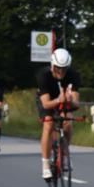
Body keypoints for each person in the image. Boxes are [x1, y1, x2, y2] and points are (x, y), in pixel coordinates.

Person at [36, 48, 80, 179]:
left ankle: (65, 154)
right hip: (48, 100)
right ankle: (45, 164)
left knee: (68, 122)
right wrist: (57, 100)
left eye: (64, 68)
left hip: (64, 100)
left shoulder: (74, 75)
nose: (61, 71)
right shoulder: (43, 75)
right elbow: (46, 104)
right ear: (52, 65)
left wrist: (70, 100)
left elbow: (76, 104)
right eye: (58, 68)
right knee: (48, 124)